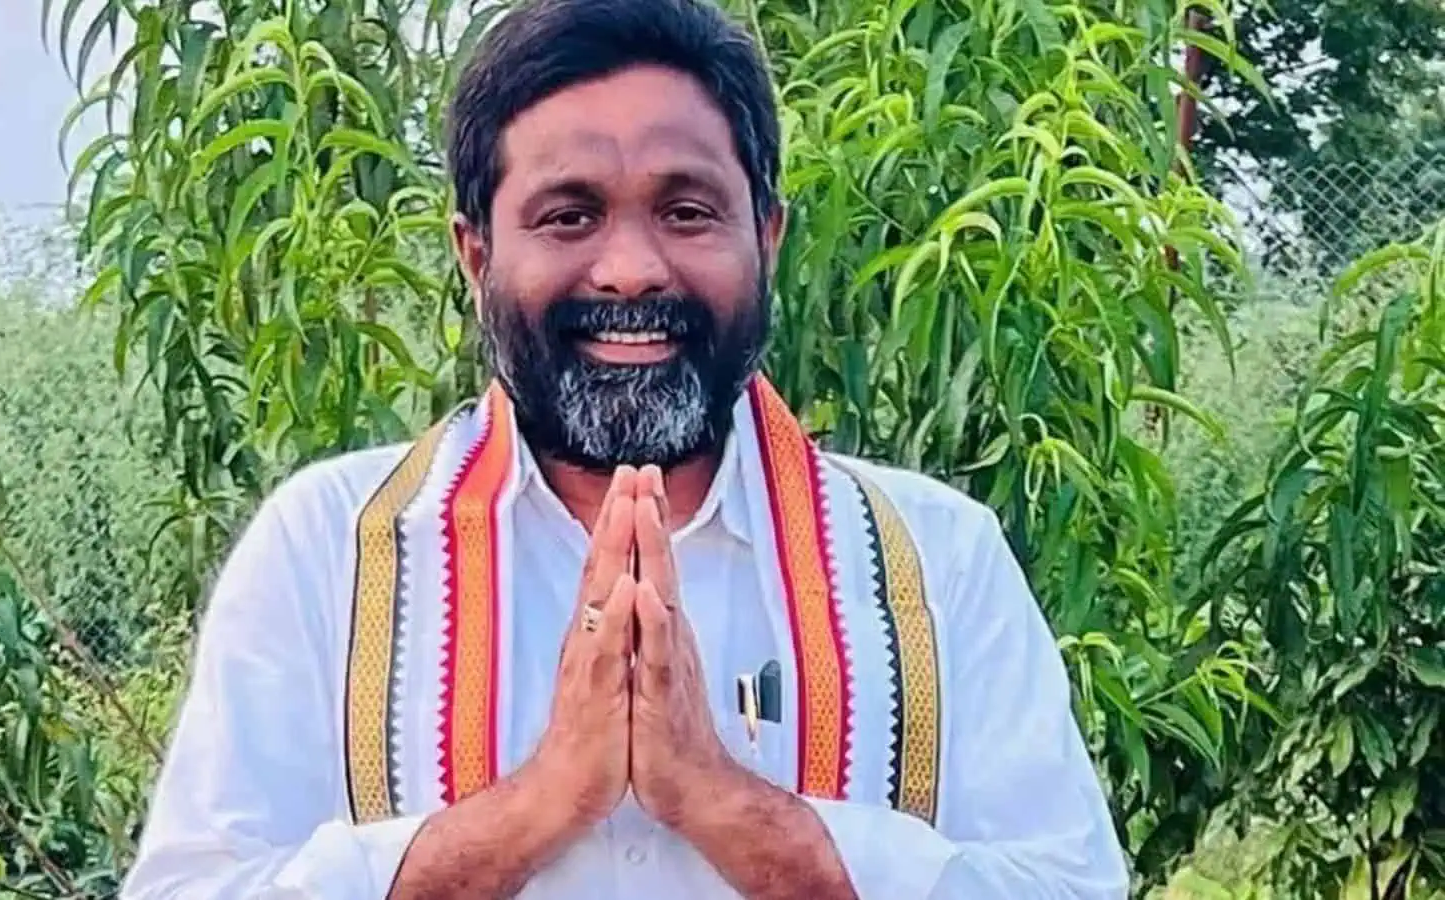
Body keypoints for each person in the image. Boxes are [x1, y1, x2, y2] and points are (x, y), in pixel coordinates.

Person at [121, 0, 1130, 896]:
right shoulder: (329, 549)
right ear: (476, 254)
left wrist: (724, 804)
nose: (633, 269)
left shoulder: (932, 558)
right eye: (570, 216)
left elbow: (1068, 886)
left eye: (687, 213)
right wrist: (542, 804)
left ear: (767, 237)